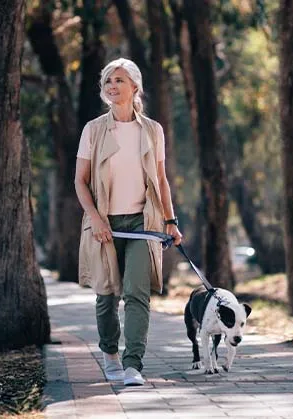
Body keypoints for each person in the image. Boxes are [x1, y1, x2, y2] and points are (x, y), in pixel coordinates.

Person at [74, 58, 183, 386]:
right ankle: (110, 354)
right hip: (104, 224)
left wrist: (170, 221)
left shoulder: (152, 130)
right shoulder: (93, 129)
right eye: (107, 80)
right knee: (106, 295)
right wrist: (96, 219)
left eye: (119, 79)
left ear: (135, 87)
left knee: (137, 294)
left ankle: (133, 364)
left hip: (141, 223)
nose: (111, 85)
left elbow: (161, 180)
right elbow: (80, 181)